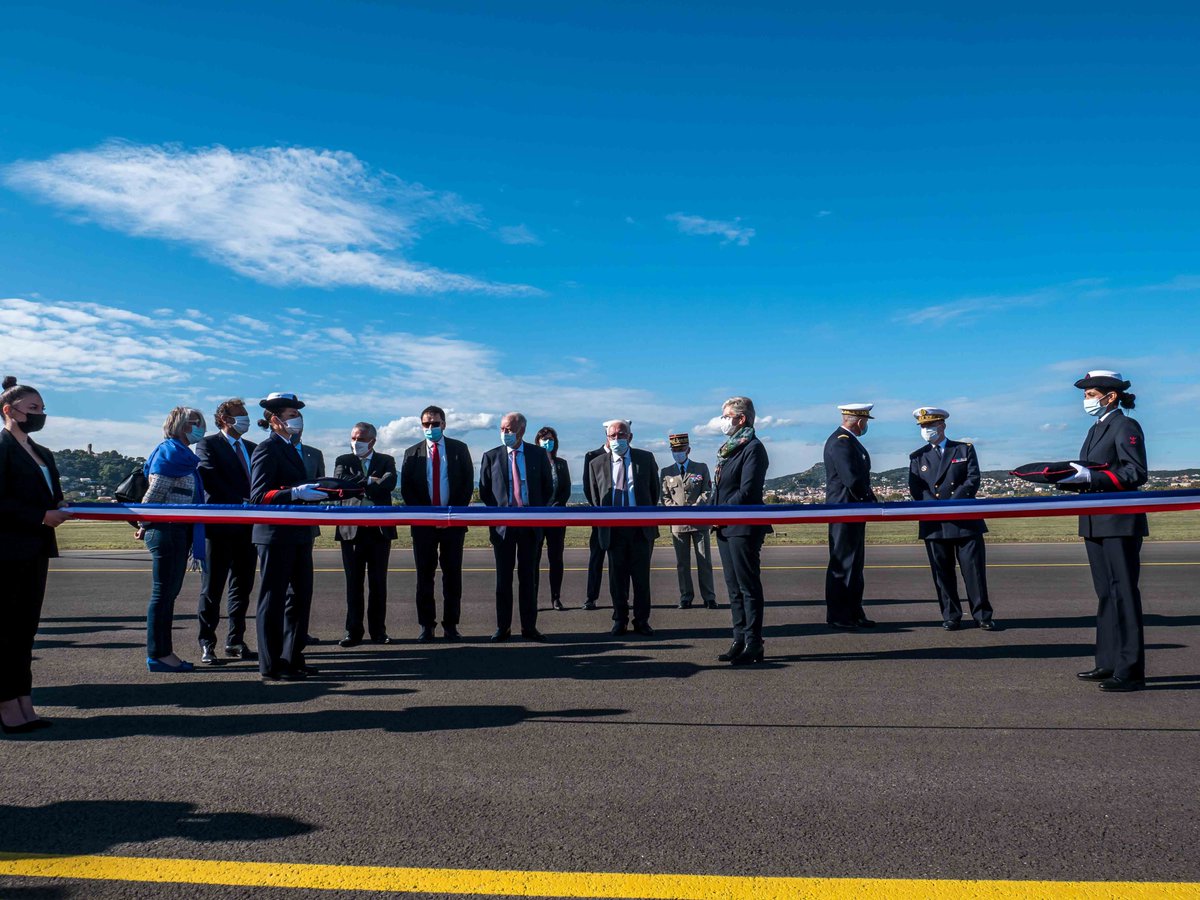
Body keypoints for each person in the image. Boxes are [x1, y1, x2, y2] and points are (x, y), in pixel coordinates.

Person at [1059, 371, 1149, 692]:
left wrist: (1089, 479)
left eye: (1090, 394)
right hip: (1095, 519)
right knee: (1106, 594)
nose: (1086, 400)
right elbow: (1093, 471)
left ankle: (1130, 670)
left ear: (1109, 397)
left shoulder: (1125, 426)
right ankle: (1108, 661)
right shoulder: (1096, 427)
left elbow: (1135, 472)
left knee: (1123, 593)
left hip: (1119, 520)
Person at [0, 376, 70, 733]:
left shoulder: (42, 453)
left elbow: (51, 495)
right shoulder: (1, 446)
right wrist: (40, 515)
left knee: (25, 629)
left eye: (42, 409)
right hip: (7, 550)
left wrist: (59, 505)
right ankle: (6, 707)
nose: (39, 414)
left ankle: (23, 700)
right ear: (8, 410)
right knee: (6, 630)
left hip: (35, 549)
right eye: (33, 409)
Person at [250, 392, 326, 681]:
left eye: (297, 413)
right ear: (274, 420)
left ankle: (292, 656)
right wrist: (293, 493)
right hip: (275, 535)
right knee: (273, 598)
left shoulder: (292, 449)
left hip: (299, 533)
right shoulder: (267, 449)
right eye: (291, 414)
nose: (297, 418)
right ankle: (270, 664)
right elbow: (259, 496)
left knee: (300, 597)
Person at [907, 407, 997, 631]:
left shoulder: (963, 449)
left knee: (974, 571)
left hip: (964, 519)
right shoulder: (917, 457)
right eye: (923, 427)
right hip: (934, 522)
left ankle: (982, 615)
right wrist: (935, 507)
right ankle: (951, 615)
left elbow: (972, 479)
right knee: (942, 573)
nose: (926, 430)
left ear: (942, 426)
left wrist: (952, 504)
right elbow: (916, 487)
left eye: (930, 426)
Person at [140, 406, 209, 673]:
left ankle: (161, 652)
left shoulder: (182, 456)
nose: (200, 427)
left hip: (175, 530)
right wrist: (144, 523)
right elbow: (154, 495)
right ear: (180, 425)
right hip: (167, 531)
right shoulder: (170, 454)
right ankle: (159, 654)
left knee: (167, 594)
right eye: (195, 422)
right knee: (163, 595)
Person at [400, 405, 474, 641]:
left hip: (453, 525)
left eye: (435, 423)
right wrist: (427, 517)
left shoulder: (459, 449)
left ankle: (451, 625)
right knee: (424, 576)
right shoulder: (412, 452)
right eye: (426, 424)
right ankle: (427, 625)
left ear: (444, 424)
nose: (430, 428)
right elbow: (408, 489)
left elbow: (466, 484)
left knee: (452, 576)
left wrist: (449, 516)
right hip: (423, 527)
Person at [478, 412, 553, 642]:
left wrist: (534, 513)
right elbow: (485, 491)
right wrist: (501, 514)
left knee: (528, 579)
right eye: (502, 429)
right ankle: (503, 627)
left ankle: (529, 628)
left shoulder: (538, 454)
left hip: (530, 526)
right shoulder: (491, 456)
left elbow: (547, 488)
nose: (504, 433)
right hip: (503, 528)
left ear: (521, 430)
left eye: (508, 429)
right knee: (503, 580)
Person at [194, 398, 258, 664]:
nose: (245, 418)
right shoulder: (208, 444)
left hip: (247, 529)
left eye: (245, 413)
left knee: (241, 588)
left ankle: (235, 639)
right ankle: (207, 642)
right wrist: (244, 501)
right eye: (239, 414)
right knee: (212, 588)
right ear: (224, 419)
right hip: (219, 528)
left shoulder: (253, 448)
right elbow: (210, 478)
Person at [586, 419, 660, 637]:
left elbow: (653, 492)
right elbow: (594, 496)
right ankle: (620, 619)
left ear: (630, 436)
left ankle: (642, 620)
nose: (617, 439)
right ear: (607, 438)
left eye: (622, 435)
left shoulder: (645, 459)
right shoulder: (596, 463)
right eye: (613, 436)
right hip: (613, 531)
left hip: (640, 530)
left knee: (641, 579)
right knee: (617, 579)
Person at [711, 398, 771, 664]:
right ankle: (738, 638)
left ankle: (753, 642)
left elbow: (747, 492)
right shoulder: (730, 449)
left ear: (741, 418)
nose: (722, 420)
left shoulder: (753, 449)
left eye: (726, 416)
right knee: (733, 587)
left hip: (744, 527)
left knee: (748, 586)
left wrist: (719, 511)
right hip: (725, 526)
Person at [333, 422, 397, 647]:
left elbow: (389, 484)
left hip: (379, 531)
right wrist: (371, 481)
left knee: (378, 583)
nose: (355, 443)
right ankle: (353, 631)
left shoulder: (386, 460)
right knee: (354, 584)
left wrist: (364, 483)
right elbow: (342, 483)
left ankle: (379, 631)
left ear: (372, 441)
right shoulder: (343, 460)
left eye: (360, 439)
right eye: (353, 438)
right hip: (351, 532)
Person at [823, 403, 878, 630]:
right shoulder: (841, 442)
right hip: (845, 509)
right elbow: (852, 478)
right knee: (843, 563)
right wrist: (869, 501)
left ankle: (854, 611)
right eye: (865, 422)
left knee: (855, 564)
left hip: (853, 510)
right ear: (859, 421)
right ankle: (839, 615)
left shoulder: (848, 441)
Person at [660, 432, 716, 609]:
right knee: (682, 563)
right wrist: (675, 510)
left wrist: (696, 506)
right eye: (674, 449)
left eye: (681, 449)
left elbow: (708, 491)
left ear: (688, 449)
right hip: (678, 524)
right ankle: (686, 596)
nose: (678, 452)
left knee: (704, 561)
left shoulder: (701, 468)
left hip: (699, 521)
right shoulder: (666, 472)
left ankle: (709, 596)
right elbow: (664, 497)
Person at [536, 426, 572, 611]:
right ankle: (531, 597)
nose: (547, 442)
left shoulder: (561, 464)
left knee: (556, 558)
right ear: (538, 441)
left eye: (550, 439)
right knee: (533, 559)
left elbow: (566, 489)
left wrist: (557, 505)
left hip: (557, 517)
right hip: (537, 517)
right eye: (544, 439)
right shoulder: (532, 462)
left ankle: (555, 597)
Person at [581, 441, 609, 610]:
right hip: (600, 516)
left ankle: (623, 597)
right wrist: (598, 508)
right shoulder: (592, 456)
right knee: (596, 559)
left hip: (622, 518)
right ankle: (591, 596)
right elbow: (588, 486)